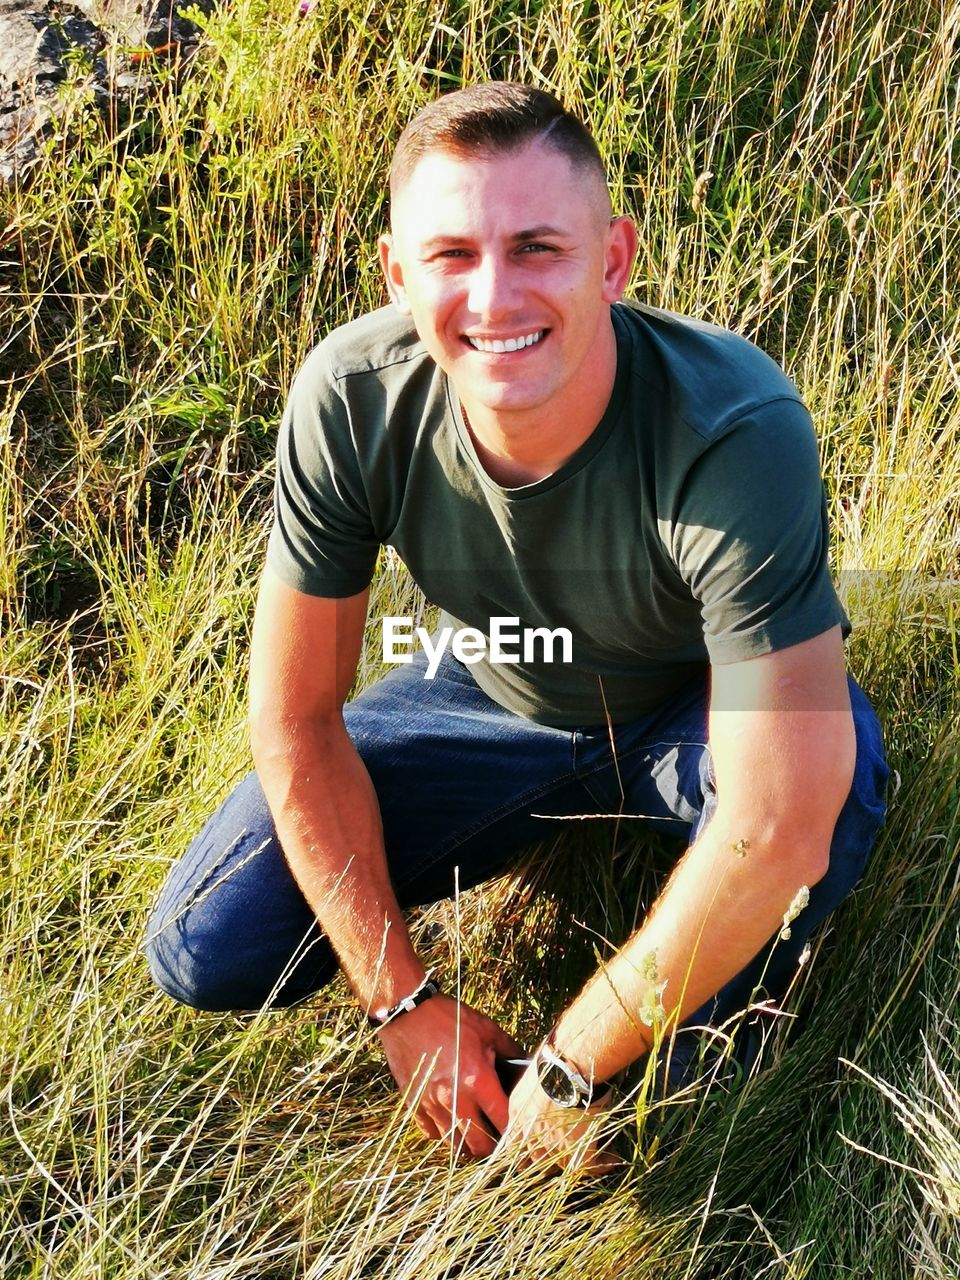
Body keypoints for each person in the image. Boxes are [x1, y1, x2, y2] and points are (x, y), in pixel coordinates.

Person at [146, 82, 888, 1174]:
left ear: (614, 259)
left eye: (538, 245)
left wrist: (576, 1056)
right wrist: (401, 1004)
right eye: (450, 253)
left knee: (821, 812)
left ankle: (632, 1076)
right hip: (500, 681)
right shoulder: (350, 397)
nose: (494, 294)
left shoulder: (733, 425)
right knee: (203, 943)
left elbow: (777, 818)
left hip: (691, 703)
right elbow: (296, 721)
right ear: (399, 274)